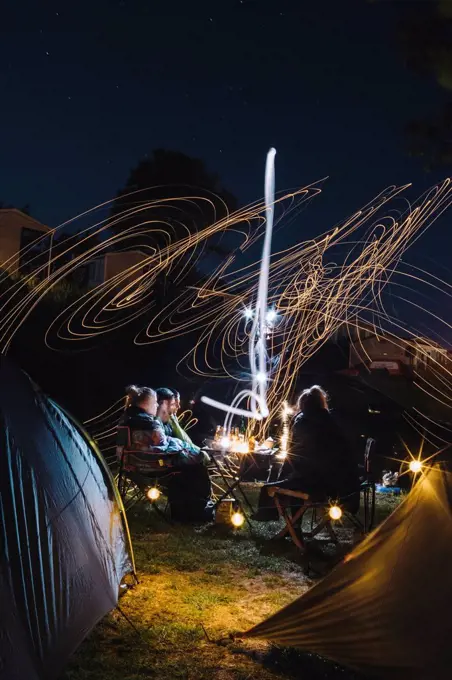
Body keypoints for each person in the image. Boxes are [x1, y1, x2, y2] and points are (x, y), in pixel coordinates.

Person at [253, 385, 360, 521]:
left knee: (274, 486)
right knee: (291, 479)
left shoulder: (302, 422)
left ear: (302, 405)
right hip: (339, 486)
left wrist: (284, 474)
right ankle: (293, 527)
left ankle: (277, 518)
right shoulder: (332, 422)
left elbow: (294, 457)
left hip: (315, 483)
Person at [119, 385, 213, 521]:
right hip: (156, 466)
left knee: (189, 466)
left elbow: (122, 450)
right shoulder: (152, 424)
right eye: (155, 403)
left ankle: (190, 509)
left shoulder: (125, 420)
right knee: (195, 467)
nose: (156, 406)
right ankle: (195, 511)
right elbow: (162, 449)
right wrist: (191, 452)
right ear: (148, 403)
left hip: (130, 466)